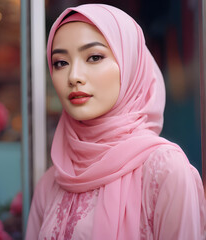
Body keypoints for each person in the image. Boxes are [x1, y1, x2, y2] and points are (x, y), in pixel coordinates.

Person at [26, 4, 206, 240]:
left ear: (130, 64)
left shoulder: (165, 170)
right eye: (61, 62)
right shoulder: (53, 181)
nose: (74, 76)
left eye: (94, 57)